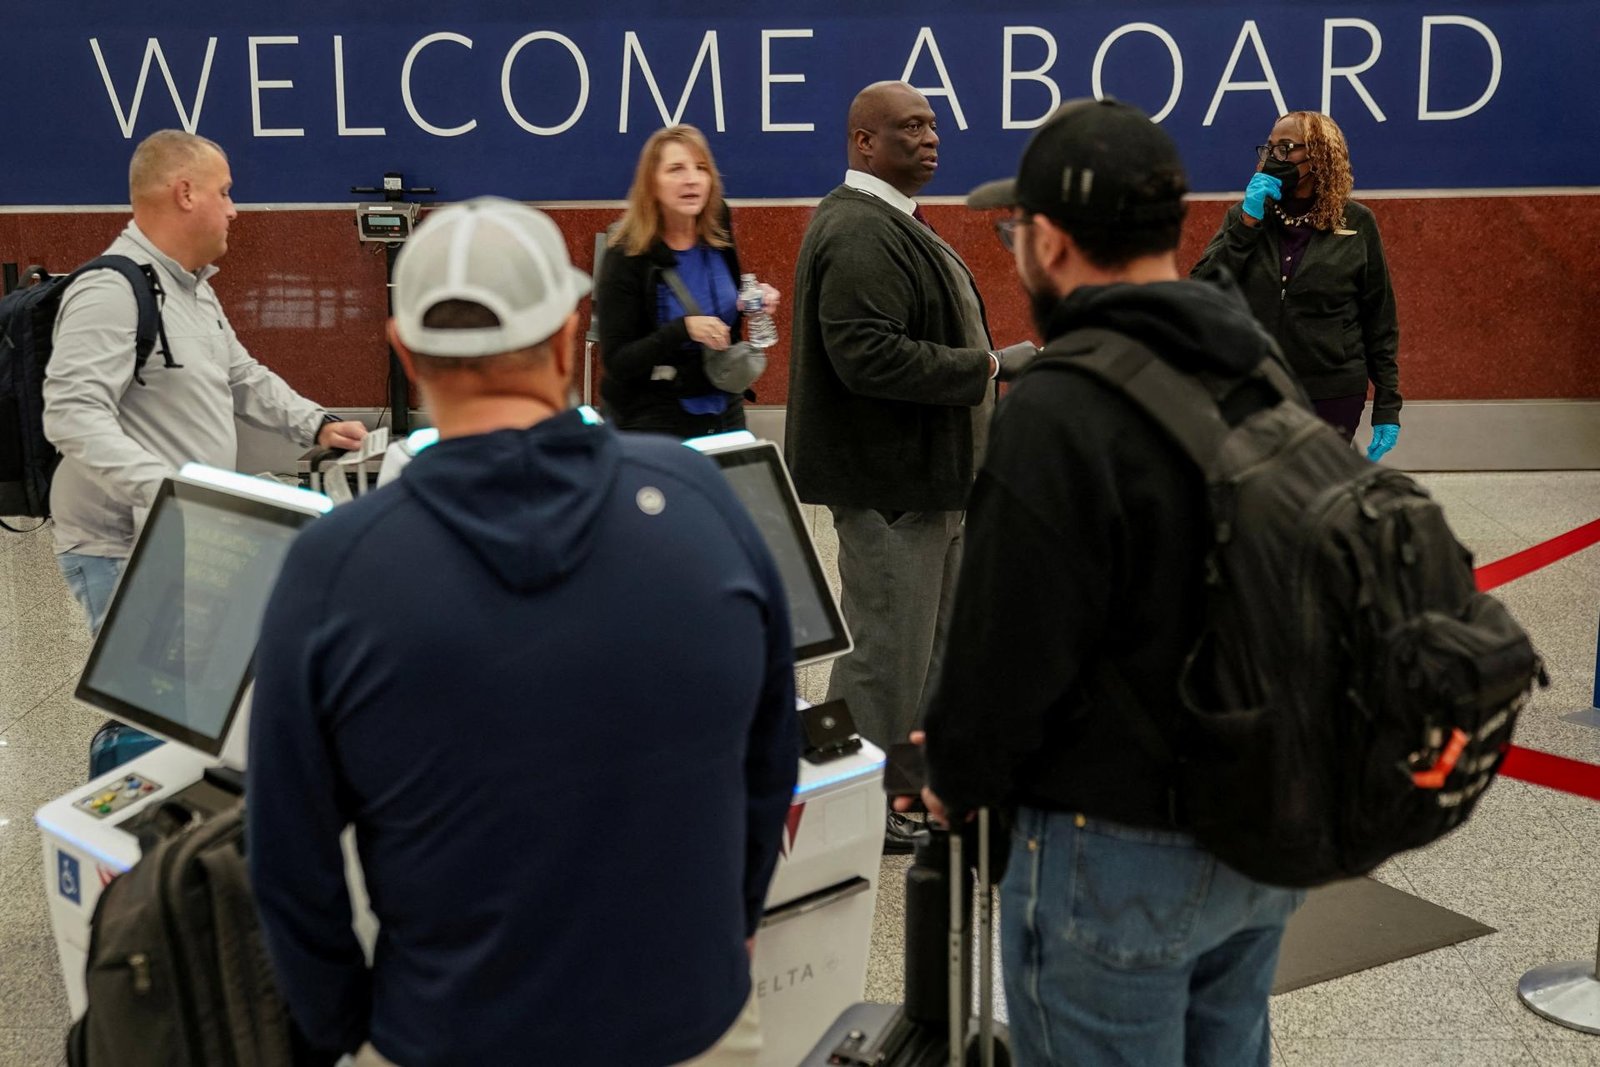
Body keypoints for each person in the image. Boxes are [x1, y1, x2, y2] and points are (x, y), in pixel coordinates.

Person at [247, 197, 800, 1067]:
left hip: (445, 1032)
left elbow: (286, 859)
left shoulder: (334, 568)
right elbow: (771, 764)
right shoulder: (704, 504)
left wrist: (353, 1026)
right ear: (570, 331)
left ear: (404, 349)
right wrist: (720, 942)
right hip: (688, 1023)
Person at [912, 99, 1303, 1066]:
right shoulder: (1255, 364)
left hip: (1115, 852)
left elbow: (1004, 654)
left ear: (1049, 242)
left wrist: (950, 772)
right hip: (1262, 828)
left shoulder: (1057, 407)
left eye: (1014, 232)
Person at [784, 81, 1035, 852]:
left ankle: (907, 786)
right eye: (910, 128)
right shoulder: (859, 229)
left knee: (926, 649)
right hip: (891, 484)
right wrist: (989, 365)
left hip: (930, 481)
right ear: (864, 141)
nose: (931, 139)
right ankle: (852, 801)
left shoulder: (892, 220)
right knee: (886, 653)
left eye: (932, 125)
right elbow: (866, 355)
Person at [43, 129, 366, 635]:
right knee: (155, 705)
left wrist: (319, 425)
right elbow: (71, 416)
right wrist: (168, 490)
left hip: (189, 530)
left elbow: (240, 376)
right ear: (186, 193)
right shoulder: (109, 289)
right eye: (225, 191)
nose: (234, 209)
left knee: (199, 696)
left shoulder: (193, 287)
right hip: (125, 546)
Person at [1192, 110, 1401, 460]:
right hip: (1256, 386)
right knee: (1258, 497)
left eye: (1286, 148)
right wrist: (1247, 224)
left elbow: (1379, 318)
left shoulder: (1357, 222)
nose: (1274, 157)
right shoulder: (1246, 217)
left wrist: (1387, 405)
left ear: (1319, 155)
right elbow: (1203, 289)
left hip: (1333, 390)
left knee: (1317, 499)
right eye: (1269, 148)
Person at [596, 124, 779, 438]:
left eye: (701, 168)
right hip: (654, 420)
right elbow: (617, 361)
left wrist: (750, 299)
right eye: (676, 169)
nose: (692, 179)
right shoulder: (627, 255)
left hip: (724, 408)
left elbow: (724, 309)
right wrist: (684, 329)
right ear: (651, 184)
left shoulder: (717, 224)